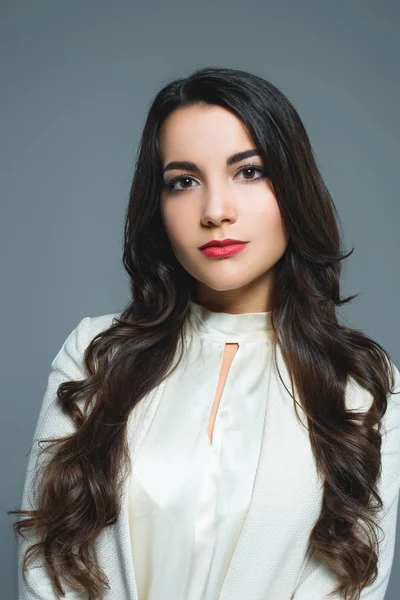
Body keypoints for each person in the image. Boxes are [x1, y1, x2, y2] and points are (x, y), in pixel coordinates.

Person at [9, 66, 400, 600]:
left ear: (294, 185)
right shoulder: (95, 355)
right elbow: (46, 570)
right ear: (159, 205)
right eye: (183, 181)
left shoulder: (363, 386)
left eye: (249, 172)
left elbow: (352, 583)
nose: (215, 211)